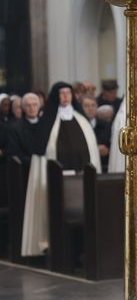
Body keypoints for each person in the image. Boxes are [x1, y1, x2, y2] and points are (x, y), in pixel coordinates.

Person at [20, 82, 101, 257]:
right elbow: (41, 151)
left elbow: (92, 151)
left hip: (81, 180)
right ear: (56, 96)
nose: (65, 97)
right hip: (55, 182)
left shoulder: (82, 121)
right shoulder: (48, 122)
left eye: (68, 93)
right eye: (61, 93)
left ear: (72, 96)